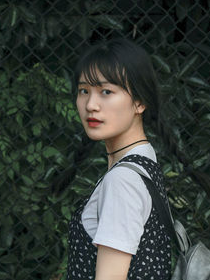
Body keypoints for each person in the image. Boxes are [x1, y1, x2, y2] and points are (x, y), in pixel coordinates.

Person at [66, 37, 172, 279]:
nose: (91, 105)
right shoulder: (144, 161)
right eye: (84, 91)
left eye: (106, 91)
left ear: (139, 102)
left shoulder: (123, 180)